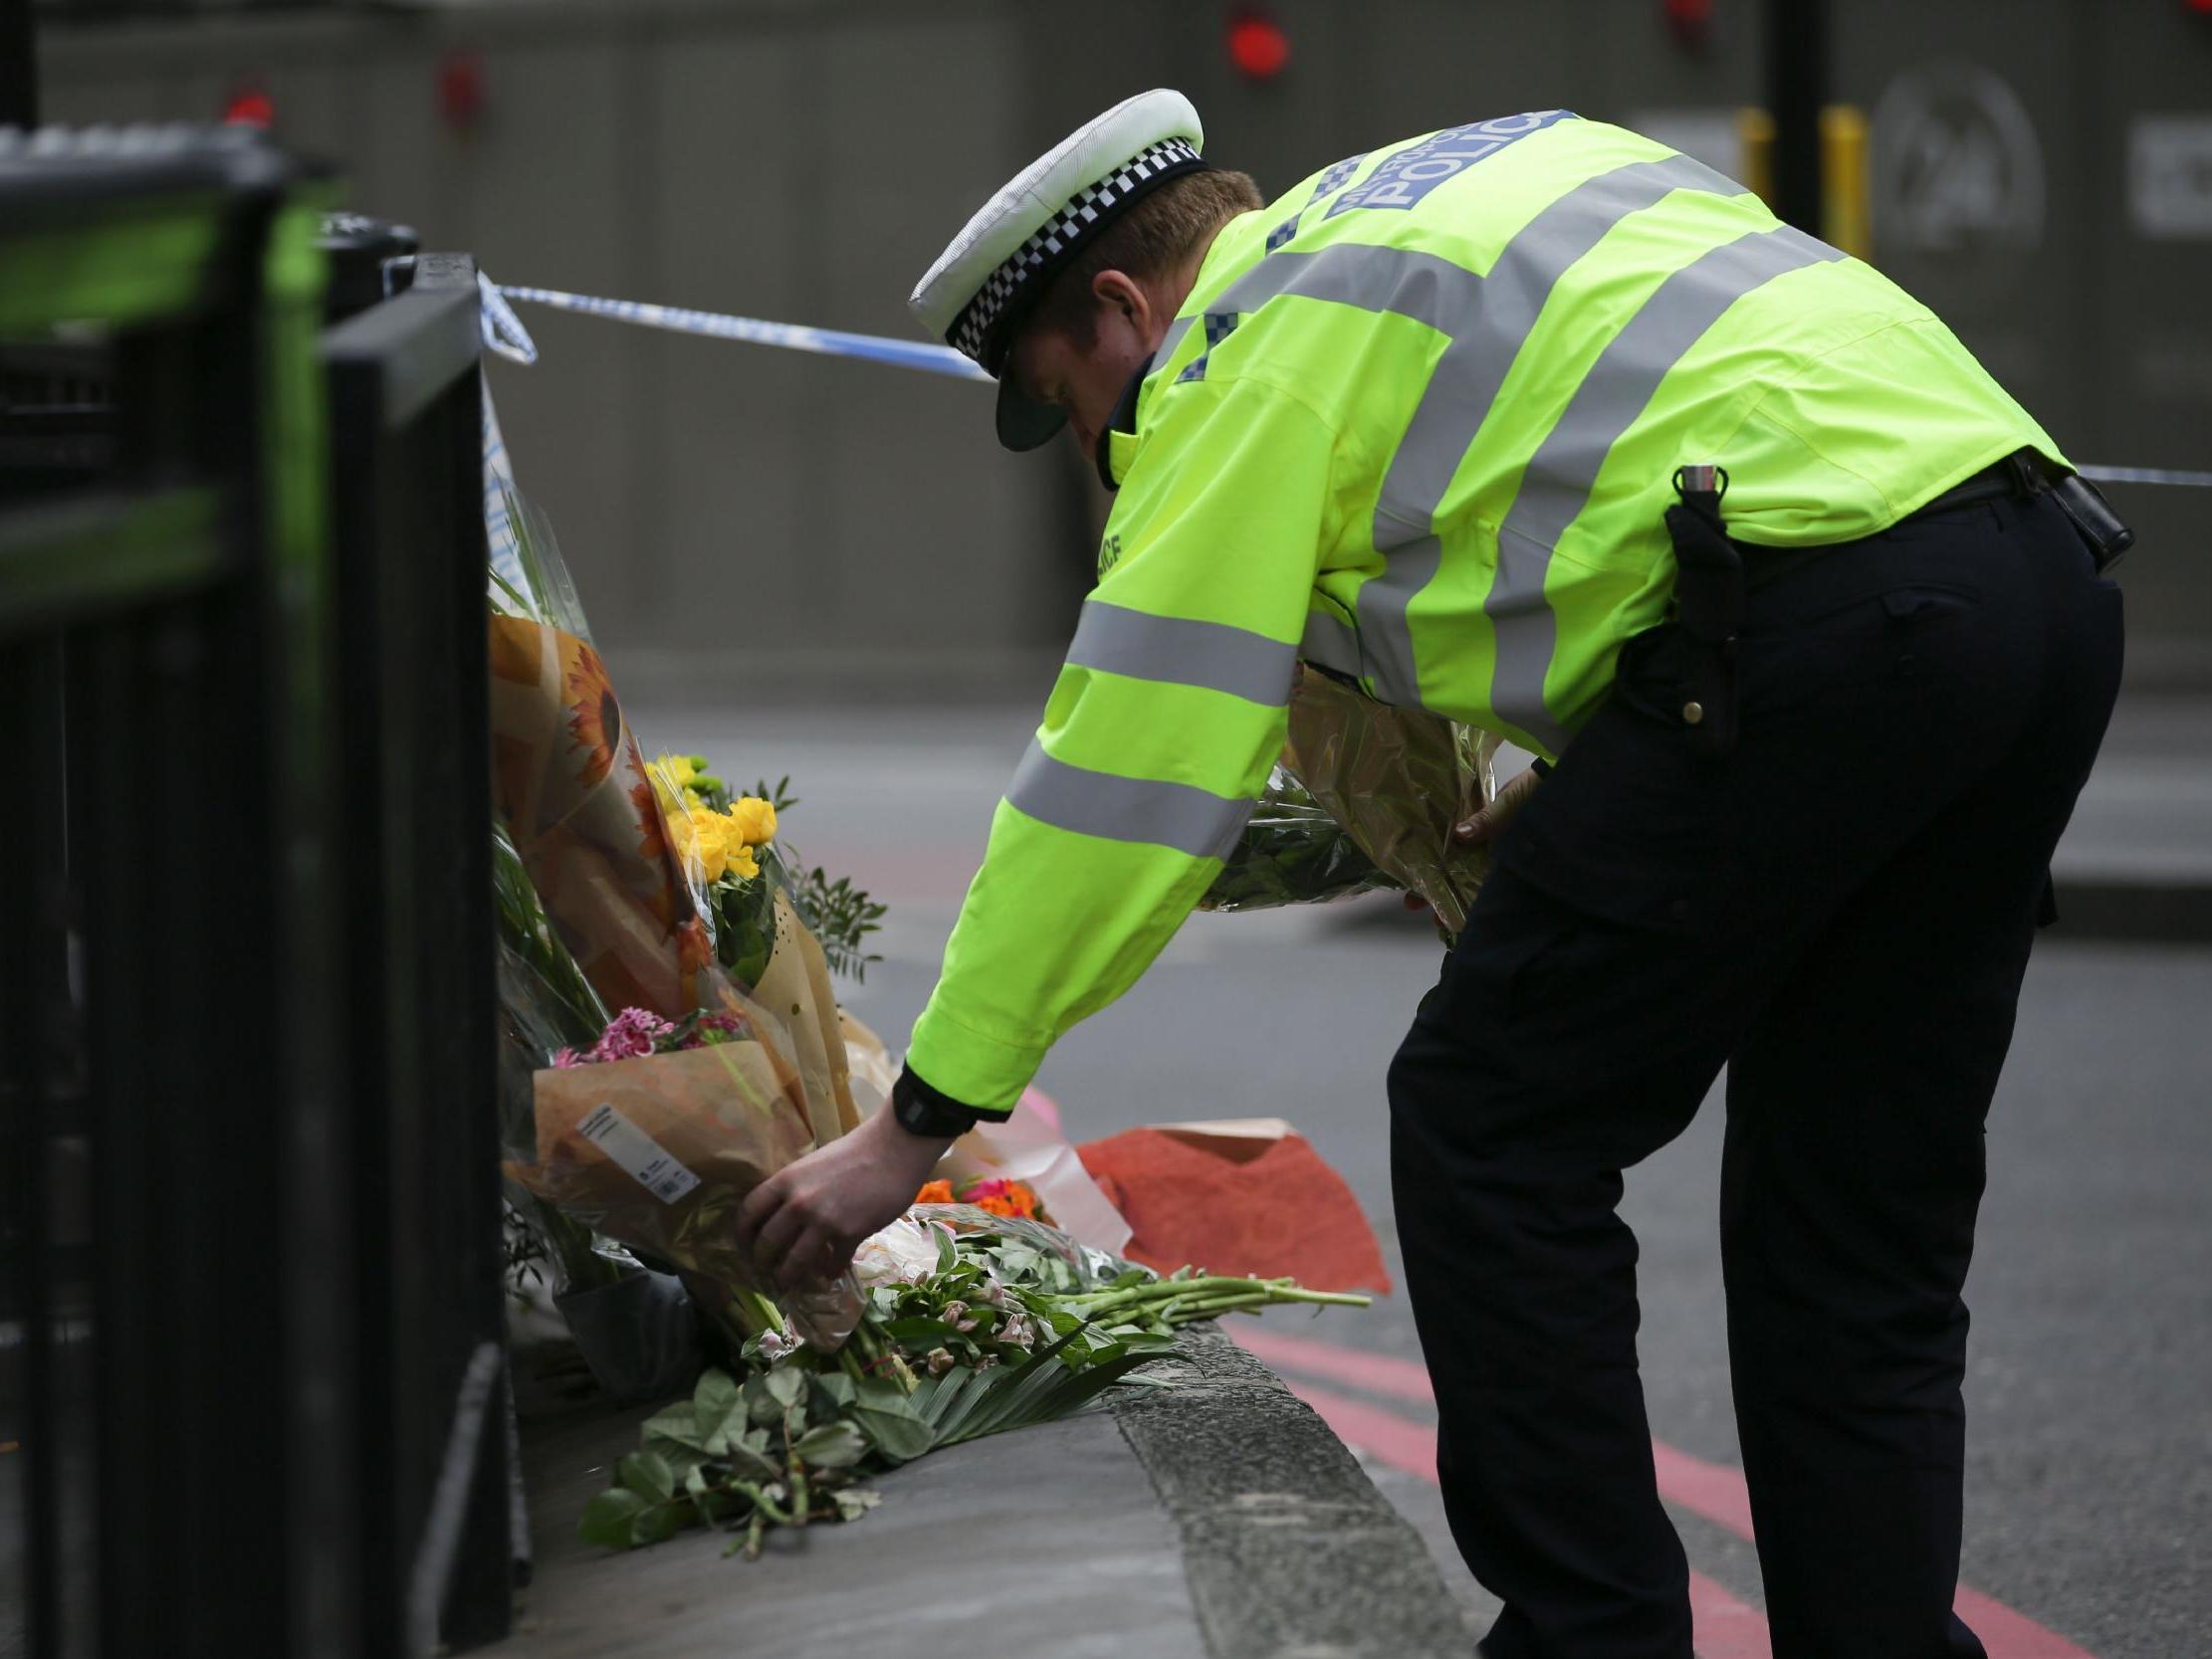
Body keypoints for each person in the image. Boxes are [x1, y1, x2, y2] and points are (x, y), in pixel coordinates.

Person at [736, 90, 2125, 1658]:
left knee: (1492, 1124)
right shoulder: (1461, 178)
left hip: (1816, 635)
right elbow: (1679, 441)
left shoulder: (1237, 353)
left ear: (1125, 306)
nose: (1093, 449)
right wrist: (1615, 750)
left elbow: (1121, 777)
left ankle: (1584, 1639)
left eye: (1070, 400)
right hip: (2035, 584)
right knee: (1852, 1209)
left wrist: (912, 1124)